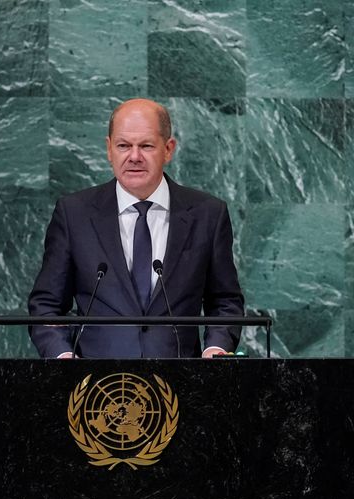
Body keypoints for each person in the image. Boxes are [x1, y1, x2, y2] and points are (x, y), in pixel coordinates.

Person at [27, 98, 244, 358]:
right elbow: (46, 305)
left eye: (146, 146)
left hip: (183, 385)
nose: (134, 157)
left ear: (168, 149)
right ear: (109, 150)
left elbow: (225, 302)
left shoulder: (208, 214)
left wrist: (216, 348)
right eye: (123, 146)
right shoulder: (74, 214)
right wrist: (62, 355)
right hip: (96, 388)